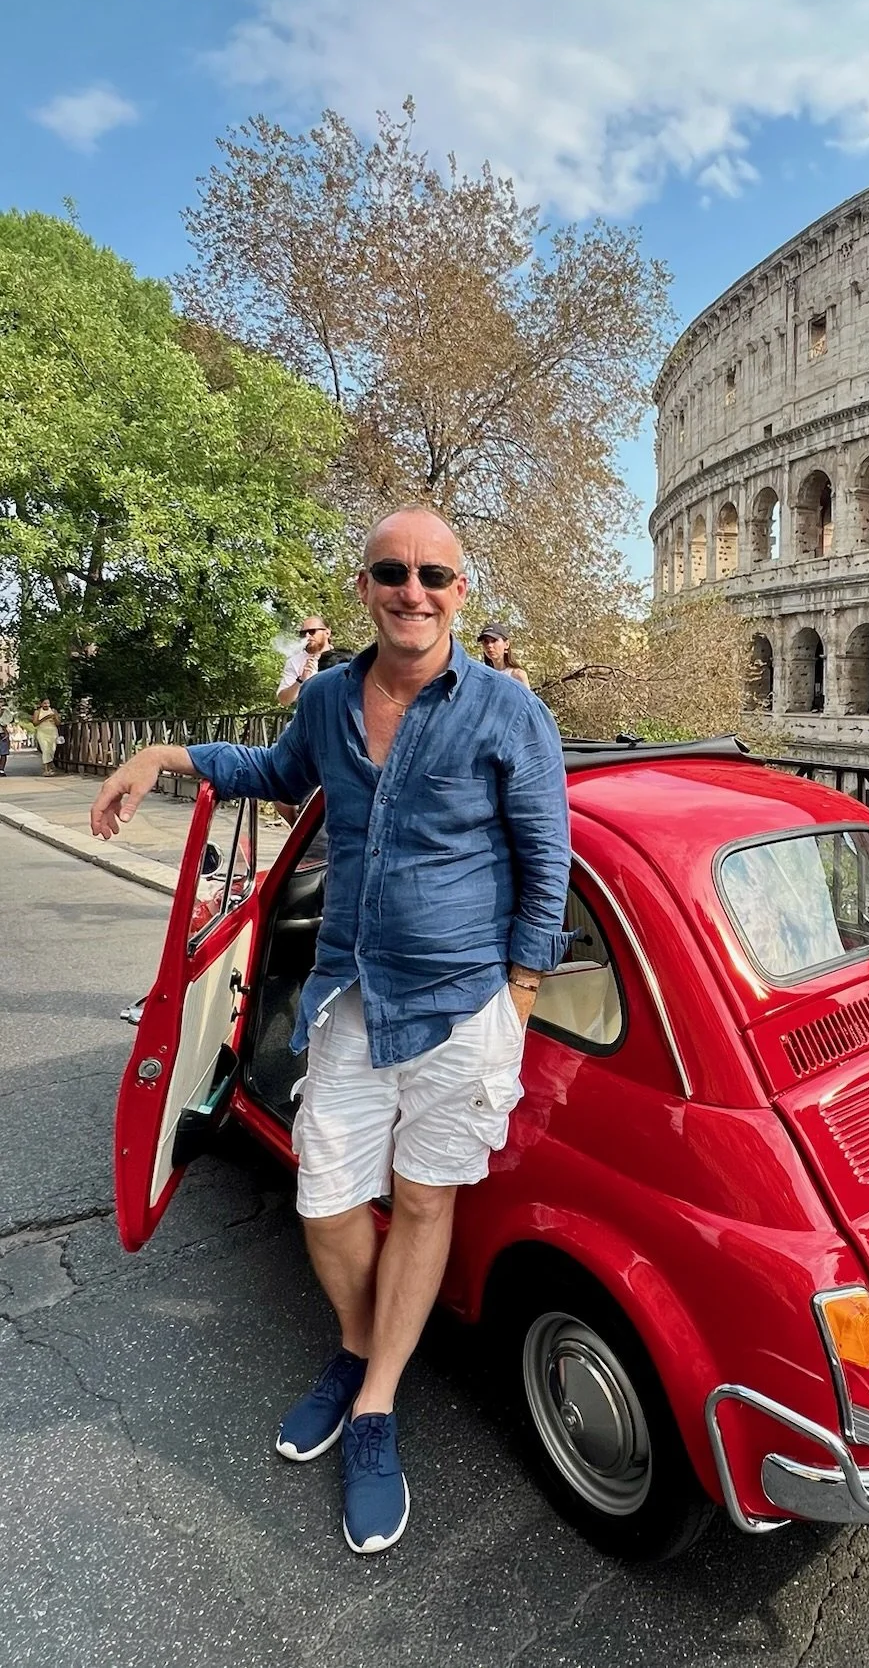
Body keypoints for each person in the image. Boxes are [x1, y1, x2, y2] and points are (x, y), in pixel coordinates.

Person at [91, 508, 572, 1556]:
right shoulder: (326, 703)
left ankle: (376, 1407)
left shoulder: (505, 711)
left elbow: (549, 862)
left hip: (463, 1011)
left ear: (460, 587)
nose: (415, 591)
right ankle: (359, 1348)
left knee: (427, 1204)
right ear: (364, 587)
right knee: (327, 1200)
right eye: (393, 572)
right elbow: (267, 774)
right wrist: (162, 755)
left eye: (434, 574)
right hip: (352, 995)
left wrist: (520, 1000)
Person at [278, 616, 332, 707]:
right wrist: (301, 680)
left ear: (327, 632)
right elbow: (284, 700)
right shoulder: (294, 662)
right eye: (303, 633)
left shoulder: (342, 657)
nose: (307, 636)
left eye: (312, 632)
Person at [32, 698, 59, 774]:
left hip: (52, 732)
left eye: (48, 703)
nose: (46, 705)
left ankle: (50, 767)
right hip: (42, 732)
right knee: (45, 749)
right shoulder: (37, 712)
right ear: (41, 704)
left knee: (52, 750)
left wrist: (55, 718)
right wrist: (45, 718)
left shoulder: (53, 711)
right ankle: (46, 769)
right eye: (44, 703)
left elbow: (58, 723)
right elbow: (35, 723)